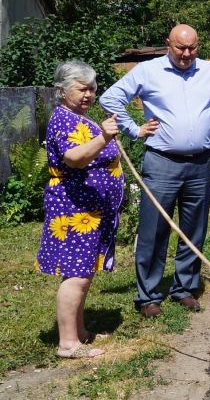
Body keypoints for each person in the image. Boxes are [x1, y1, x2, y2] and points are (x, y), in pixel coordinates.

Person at [100, 24, 210, 318]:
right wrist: (133, 129)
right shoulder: (148, 71)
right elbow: (110, 98)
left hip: (200, 162)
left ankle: (184, 288)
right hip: (162, 162)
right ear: (168, 43)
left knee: (194, 229)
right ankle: (149, 295)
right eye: (180, 47)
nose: (186, 54)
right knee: (154, 229)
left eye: (192, 48)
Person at [35, 60, 124, 358]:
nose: (89, 94)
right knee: (77, 274)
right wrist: (103, 137)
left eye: (92, 88)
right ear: (62, 91)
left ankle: (79, 332)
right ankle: (68, 344)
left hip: (88, 210)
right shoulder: (63, 119)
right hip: (74, 209)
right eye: (82, 88)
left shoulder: (77, 117)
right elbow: (73, 158)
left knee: (82, 272)